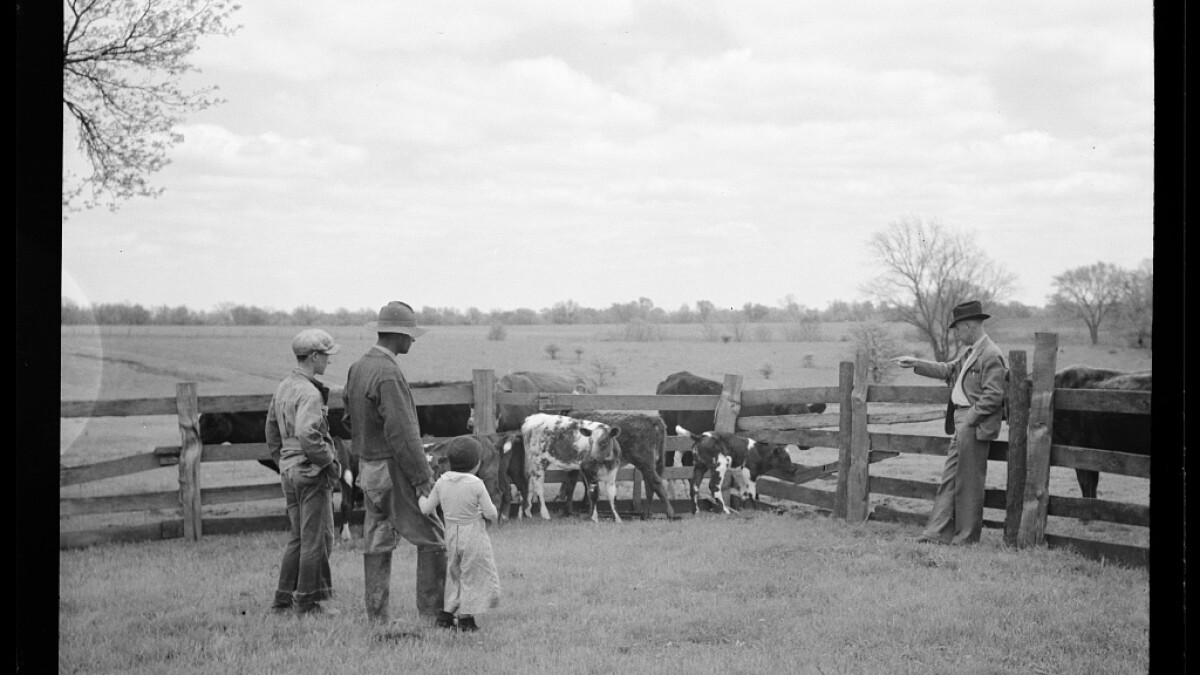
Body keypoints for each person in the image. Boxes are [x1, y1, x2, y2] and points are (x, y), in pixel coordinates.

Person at [341, 301, 454, 628]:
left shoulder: (358, 366)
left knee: (376, 538)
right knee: (432, 536)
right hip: (393, 469)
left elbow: (348, 417)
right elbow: (404, 434)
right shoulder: (388, 373)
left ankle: (378, 618)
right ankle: (433, 617)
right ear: (399, 335)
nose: (414, 341)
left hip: (368, 469)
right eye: (411, 335)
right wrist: (422, 480)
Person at [894, 300, 1008, 545]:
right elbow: (948, 370)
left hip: (973, 424)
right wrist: (916, 363)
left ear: (968, 326)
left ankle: (965, 538)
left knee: (968, 482)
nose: (955, 333)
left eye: (957, 328)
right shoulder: (971, 353)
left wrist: (971, 418)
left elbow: (994, 395)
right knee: (950, 478)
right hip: (963, 422)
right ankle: (935, 534)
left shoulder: (991, 354)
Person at [266, 328, 343, 616]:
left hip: (289, 470)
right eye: (326, 356)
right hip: (310, 472)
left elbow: (271, 431)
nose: (328, 361)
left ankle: (283, 600)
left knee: (298, 537)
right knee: (315, 540)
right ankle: (307, 603)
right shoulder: (310, 393)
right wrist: (327, 461)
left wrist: (284, 462)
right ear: (313, 356)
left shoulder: (284, 386)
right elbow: (308, 433)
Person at [418, 436, 501, 633]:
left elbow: (427, 509)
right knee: (474, 576)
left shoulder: (441, 482)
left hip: (451, 536)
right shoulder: (476, 484)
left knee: (459, 575)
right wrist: (483, 514)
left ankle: (446, 616)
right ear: (477, 463)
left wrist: (421, 497)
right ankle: (465, 620)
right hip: (473, 535)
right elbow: (491, 513)